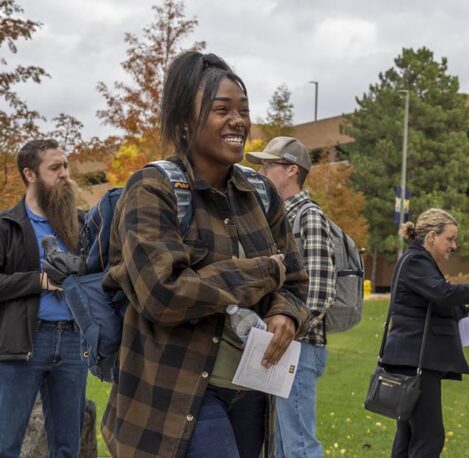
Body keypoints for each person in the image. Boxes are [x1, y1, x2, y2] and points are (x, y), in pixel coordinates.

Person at [101, 51, 309, 458]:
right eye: (221, 110)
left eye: (243, 110)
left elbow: (295, 278)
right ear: (184, 121)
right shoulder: (151, 190)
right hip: (175, 395)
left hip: (250, 391)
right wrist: (261, 272)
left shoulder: (261, 194)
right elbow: (162, 294)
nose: (238, 121)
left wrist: (285, 313)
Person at [381, 208, 469, 457]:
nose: (454, 245)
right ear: (432, 236)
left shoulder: (422, 263)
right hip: (416, 362)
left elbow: (440, 304)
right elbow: (442, 294)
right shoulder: (416, 260)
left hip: (413, 360)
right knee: (429, 437)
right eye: (450, 238)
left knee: (408, 436)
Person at [0, 139, 88, 457]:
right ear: (30, 174)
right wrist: (40, 281)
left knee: (68, 447)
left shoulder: (80, 224)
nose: (65, 173)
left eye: (66, 166)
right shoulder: (7, 226)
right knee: (5, 444)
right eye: (55, 167)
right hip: (23, 343)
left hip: (74, 343)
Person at [248, 136, 333, 458]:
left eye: (268, 165)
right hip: (279, 344)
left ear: (291, 170)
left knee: (299, 445)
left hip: (300, 347)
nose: (262, 170)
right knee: (279, 446)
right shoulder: (275, 217)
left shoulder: (309, 216)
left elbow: (321, 291)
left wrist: (286, 332)